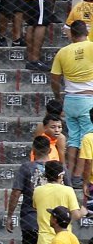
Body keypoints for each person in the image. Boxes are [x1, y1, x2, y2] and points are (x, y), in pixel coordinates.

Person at [51, 20, 93, 177]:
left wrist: (58, 99)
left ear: (72, 35)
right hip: (88, 98)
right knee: (87, 138)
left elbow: (54, 79)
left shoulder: (63, 52)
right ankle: (79, 175)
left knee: (74, 138)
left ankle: (69, 171)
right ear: (86, 33)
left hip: (70, 99)